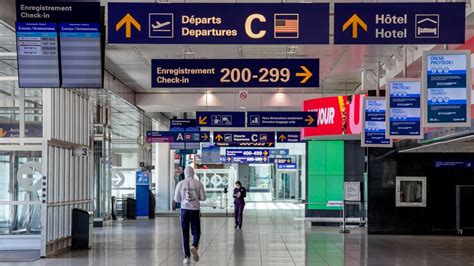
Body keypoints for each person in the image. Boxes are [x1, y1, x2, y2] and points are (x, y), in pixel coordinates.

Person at [174, 166, 206, 264]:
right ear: (193, 173)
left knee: (185, 233)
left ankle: (186, 257)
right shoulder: (198, 183)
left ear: (185, 173)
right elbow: (203, 198)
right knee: (196, 232)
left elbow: (177, 199)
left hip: (184, 211)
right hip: (195, 210)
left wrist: (184, 198)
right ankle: (194, 245)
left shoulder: (180, 184)